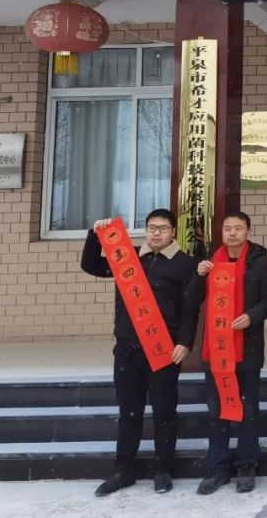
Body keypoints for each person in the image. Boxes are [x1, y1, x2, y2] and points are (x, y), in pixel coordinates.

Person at [81, 209, 198, 497]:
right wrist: (95, 235)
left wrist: (185, 342)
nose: (156, 233)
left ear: (173, 232)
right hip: (127, 349)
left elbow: (190, 309)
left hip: (163, 350)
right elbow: (91, 265)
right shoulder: (128, 257)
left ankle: (163, 469)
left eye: (163, 228)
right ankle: (123, 470)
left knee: (164, 412)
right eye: (151, 227)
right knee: (128, 412)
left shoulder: (185, 264)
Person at [187, 211, 267, 496]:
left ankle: (247, 465)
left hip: (247, 348)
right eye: (228, 229)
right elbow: (191, 299)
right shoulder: (211, 263)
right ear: (222, 233)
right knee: (217, 410)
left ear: (248, 231)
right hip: (216, 349)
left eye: (239, 228)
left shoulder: (262, 263)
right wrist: (199, 275)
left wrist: (251, 316)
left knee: (248, 410)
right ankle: (217, 468)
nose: (233, 233)